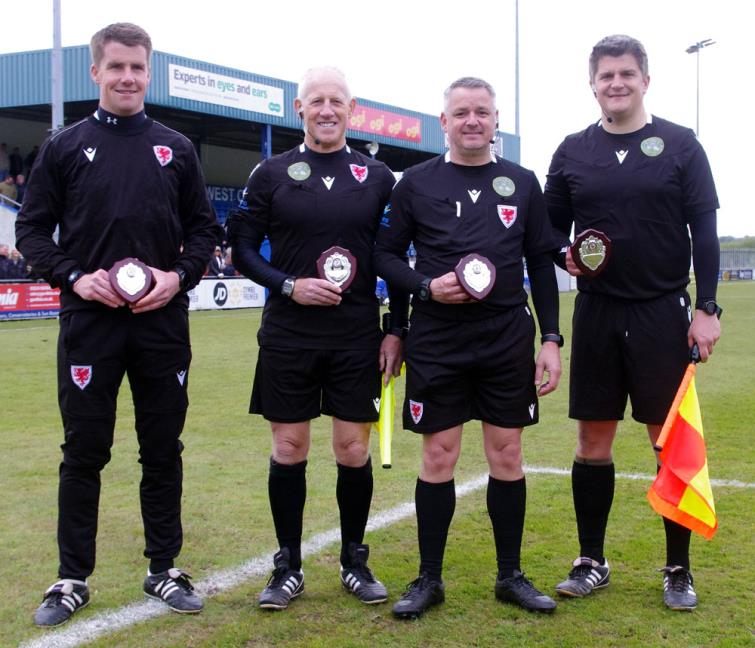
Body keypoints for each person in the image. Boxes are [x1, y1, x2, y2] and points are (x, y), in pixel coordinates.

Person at [15, 22, 221, 627]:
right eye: (116, 67)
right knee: (84, 451)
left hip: (162, 325)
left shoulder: (176, 148)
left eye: (137, 67)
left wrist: (176, 277)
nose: (127, 77)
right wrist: (75, 277)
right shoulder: (64, 146)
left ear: (148, 72)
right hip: (89, 325)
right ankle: (71, 577)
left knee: (162, 449)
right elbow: (31, 229)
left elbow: (205, 231)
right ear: (95, 72)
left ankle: (164, 568)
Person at [373, 76, 563, 619]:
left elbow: (542, 269)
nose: (472, 120)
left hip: (505, 337)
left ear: (495, 119)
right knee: (439, 456)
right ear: (445, 122)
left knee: (507, 453)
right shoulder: (414, 184)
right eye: (462, 112)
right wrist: (423, 290)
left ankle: (511, 576)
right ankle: (428, 578)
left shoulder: (522, 182)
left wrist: (550, 339)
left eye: (482, 111)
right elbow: (385, 256)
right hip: (437, 338)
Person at [544, 34, 721, 612]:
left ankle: (678, 569)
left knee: (666, 445)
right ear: (591, 84)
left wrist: (707, 309)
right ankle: (591, 559)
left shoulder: (680, 145)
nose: (615, 84)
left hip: (661, 314)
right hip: (596, 313)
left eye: (626, 74)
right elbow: (547, 229)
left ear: (646, 79)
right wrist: (560, 253)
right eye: (605, 76)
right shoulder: (572, 150)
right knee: (592, 441)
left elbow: (706, 234)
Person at [227, 65, 407, 611]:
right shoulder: (271, 173)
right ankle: (288, 564)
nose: (326, 110)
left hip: (356, 336)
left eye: (337, 101)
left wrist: (396, 329)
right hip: (288, 334)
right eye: (316, 101)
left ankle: (354, 559)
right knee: (289, 447)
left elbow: (394, 259)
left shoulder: (378, 177)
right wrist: (287, 285)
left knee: (352, 449)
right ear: (298, 109)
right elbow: (243, 250)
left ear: (352, 109)